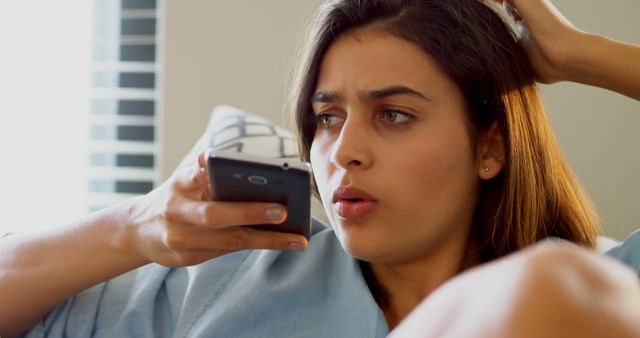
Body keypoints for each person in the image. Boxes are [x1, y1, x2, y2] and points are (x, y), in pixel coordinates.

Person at [1, 0, 639, 337]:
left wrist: (580, 56)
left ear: (490, 148)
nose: (343, 151)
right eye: (328, 118)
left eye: (394, 115)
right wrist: (134, 226)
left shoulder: (598, 301)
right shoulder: (232, 282)